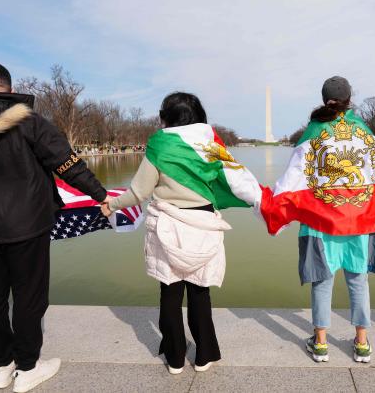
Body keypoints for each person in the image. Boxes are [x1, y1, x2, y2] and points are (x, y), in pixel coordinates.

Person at [0, 62, 108, 392]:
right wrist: (102, 195)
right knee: (28, 297)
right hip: (29, 222)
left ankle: (0, 367)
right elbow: (68, 164)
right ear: (9, 87)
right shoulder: (29, 121)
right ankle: (28, 367)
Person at [259, 77, 375, 364]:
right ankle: (361, 343)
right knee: (358, 281)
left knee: (322, 282)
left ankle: (321, 343)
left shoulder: (313, 131)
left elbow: (292, 178)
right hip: (359, 220)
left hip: (320, 221)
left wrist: (274, 209)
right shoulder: (363, 132)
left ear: (324, 99)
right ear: (350, 98)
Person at [102, 92, 260, 375]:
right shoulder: (211, 144)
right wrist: (267, 203)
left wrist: (111, 204)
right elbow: (237, 179)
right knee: (200, 293)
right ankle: (204, 355)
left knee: (170, 294)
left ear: (165, 118)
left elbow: (139, 192)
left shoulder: (160, 146)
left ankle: (174, 357)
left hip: (168, 226)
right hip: (203, 225)